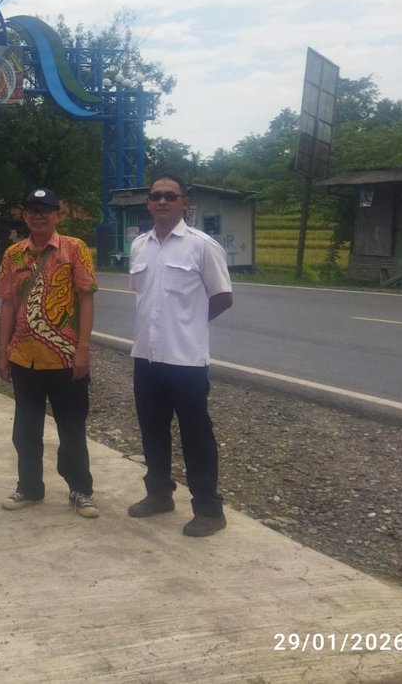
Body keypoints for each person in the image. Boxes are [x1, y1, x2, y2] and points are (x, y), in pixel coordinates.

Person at [127, 174, 234, 537]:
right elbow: (143, 298)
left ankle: (208, 510)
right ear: (148, 203)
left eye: (170, 196)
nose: (161, 201)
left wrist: (189, 324)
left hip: (186, 360)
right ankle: (159, 495)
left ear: (184, 202)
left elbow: (222, 297)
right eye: (155, 196)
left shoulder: (202, 246)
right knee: (152, 431)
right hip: (146, 357)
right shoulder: (140, 246)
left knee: (196, 436)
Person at [0, 187, 99, 518]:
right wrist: (2, 351)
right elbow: (8, 304)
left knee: (71, 428)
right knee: (25, 429)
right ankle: (29, 487)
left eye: (46, 210)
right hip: (24, 357)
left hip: (66, 358)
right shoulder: (13, 254)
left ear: (58, 215)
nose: (39, 215)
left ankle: (80, 489)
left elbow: (86, 299)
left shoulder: (75, 249)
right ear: (24, 215)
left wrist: (83, 349)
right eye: (32, 210)